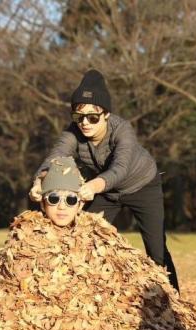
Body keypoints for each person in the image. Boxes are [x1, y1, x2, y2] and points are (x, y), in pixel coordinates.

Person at [29, 69, 178, 291]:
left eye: (93, 117)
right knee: (84, 236)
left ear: (106, 114)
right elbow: (55, 158)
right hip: (107, 191)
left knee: (156, 249)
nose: (85, 123)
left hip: (142, 186)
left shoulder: (122, 130)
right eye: (79, 117)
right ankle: (86, 292)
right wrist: (39, 181)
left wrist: (93, 186)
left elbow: (120, 168)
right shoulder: (73, 133)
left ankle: (172, 301)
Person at [38, 156, 85, 227]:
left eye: (71, 199)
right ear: (42, 203)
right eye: (53, 199)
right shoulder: (24, 236)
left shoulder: (99, 236)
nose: (62, 207)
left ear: (80, 205)